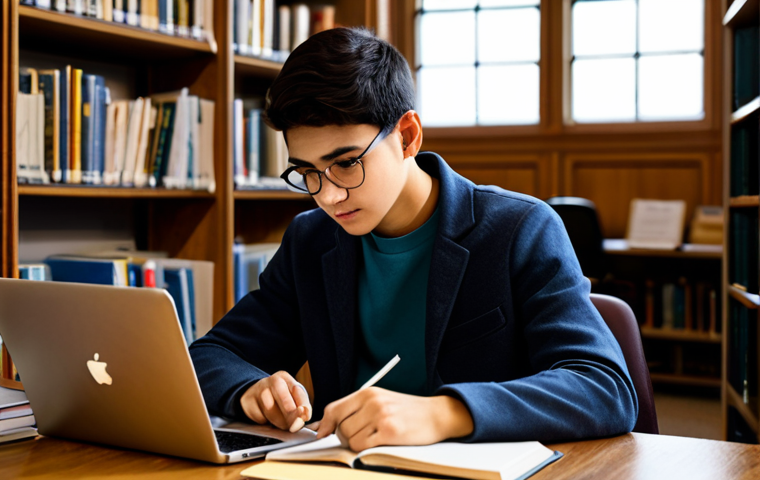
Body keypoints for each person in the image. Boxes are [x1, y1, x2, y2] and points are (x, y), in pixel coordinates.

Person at [189, 27, 637, 452]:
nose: (327, 195)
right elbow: (209, 357)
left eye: (346, 163)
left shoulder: (520, 229)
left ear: (407, 136)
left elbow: (605, 388)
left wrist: (442, 414)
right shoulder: (311, 240)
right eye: (306, 172)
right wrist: (249, 389)